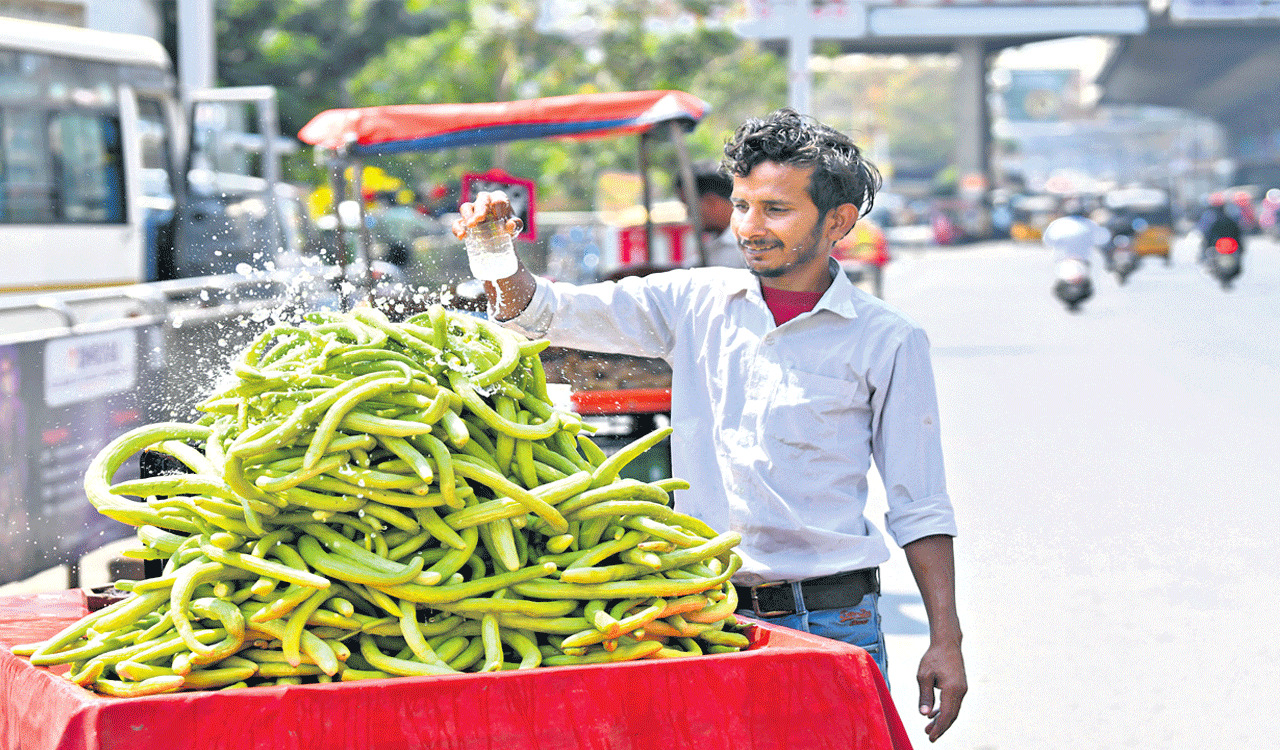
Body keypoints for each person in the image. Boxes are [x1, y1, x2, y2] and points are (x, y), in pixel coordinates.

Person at [454, 108, 967, 743]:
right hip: (701, 619)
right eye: (744, 205)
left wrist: (945, 638)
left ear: (836, 221)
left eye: (775, 210)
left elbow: (920, 505)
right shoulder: (695, 303)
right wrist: (493, 248)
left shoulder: (887, 340)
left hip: (833, 623)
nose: (751, 227)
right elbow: (540, 312)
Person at [686, 161, 746, 268]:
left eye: (689, 207)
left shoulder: (746, 246)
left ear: (712, 202)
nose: (688, 214)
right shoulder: (713, 242)